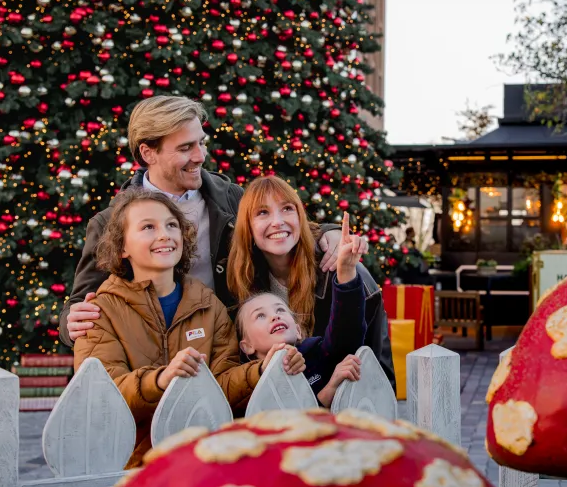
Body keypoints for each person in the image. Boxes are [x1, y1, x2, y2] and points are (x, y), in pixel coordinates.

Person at [58, 95, 351, 347]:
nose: (200, 156)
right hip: (157, 358)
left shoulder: (229, 197)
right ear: (148, 153)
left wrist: (330, 232)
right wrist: (70, 323)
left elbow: (278, 225)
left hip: (231, 352)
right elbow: (80, 303)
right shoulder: (109, 223)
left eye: (201, 142)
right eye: (185, 148)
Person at [72, 187, 305, 468]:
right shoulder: (98, 312)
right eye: (148, 227)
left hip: (203, 461)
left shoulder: (209, 305)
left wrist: (260, 369)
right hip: (130, 467)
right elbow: (100, 395)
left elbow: (221, 385)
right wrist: (161, 380)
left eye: (172, 225)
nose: (164, 235)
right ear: (122, 248)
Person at [227, 176, 396, 389]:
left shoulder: (339, 270)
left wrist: (346, 274)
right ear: (248, 227)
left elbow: (352, 353)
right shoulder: (244, 277)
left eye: (287, 209)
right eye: (262, 212)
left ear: (300, 217)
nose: (277, 221)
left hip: (355, 396)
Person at [236, 213, 367, 407]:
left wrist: (346, 272)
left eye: (280, 310)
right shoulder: (250, 385)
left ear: (297, 330)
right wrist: (327, 393)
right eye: (261, 315)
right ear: (247, 346)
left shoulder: (317, 355)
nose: (274, 317)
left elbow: (345, 331)